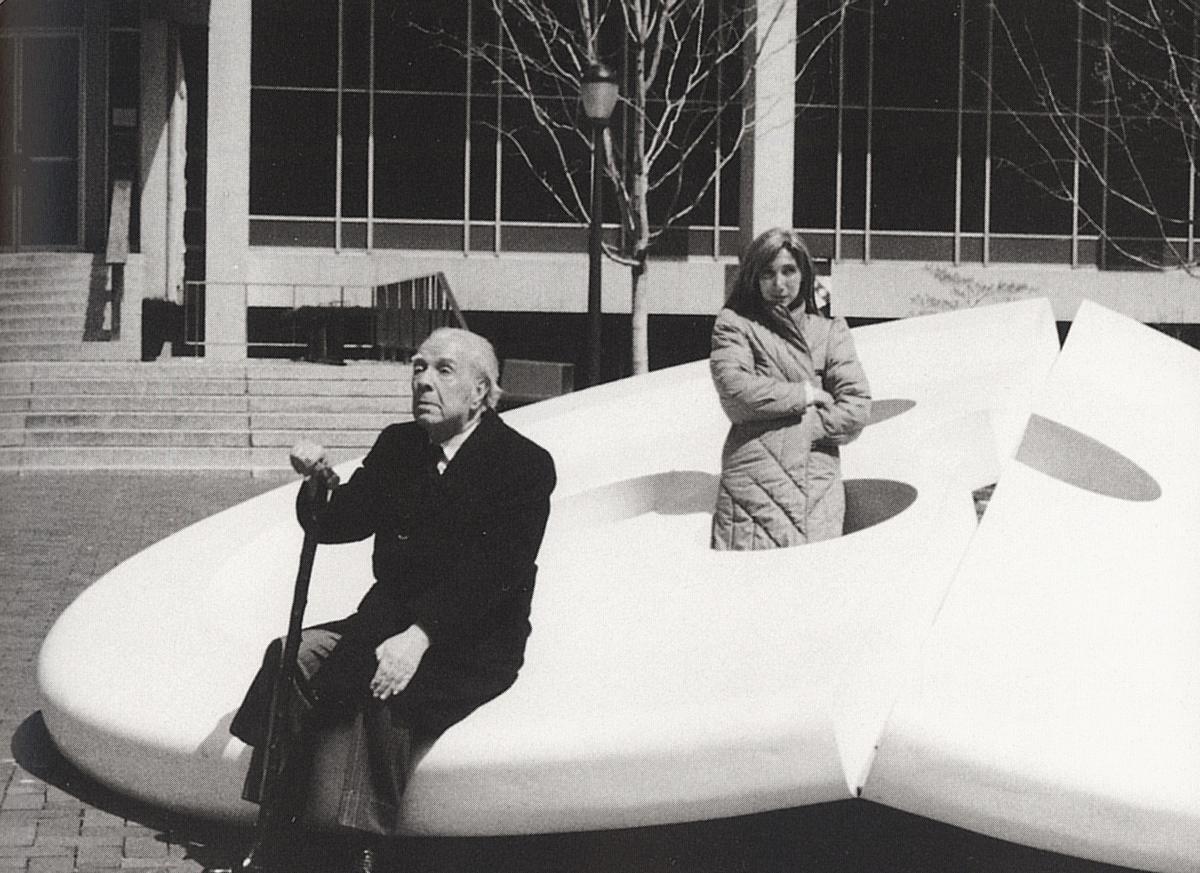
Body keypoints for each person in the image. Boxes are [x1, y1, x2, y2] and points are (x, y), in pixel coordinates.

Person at [229, 327, 557, 873]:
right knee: (291, 656)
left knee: (386, 695)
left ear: (481, 391)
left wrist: (420, 638)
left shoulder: (521, 464)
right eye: (417, 367)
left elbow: (495, 573)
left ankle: (364, 850)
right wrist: (318, 482)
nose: (423, 380)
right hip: (385, 623)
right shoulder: (399, 446)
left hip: (472, 639)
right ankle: (276, 834)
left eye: (443, 370)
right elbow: (337, 523)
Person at [709, 227, 871, 550]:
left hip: (816, 491)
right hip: (753, 493)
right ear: (753, 277)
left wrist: (797, 428)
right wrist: (806, 396)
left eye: (789, 271)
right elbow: (735, 392)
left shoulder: (829, 332)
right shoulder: (735, 325)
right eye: (768, 273)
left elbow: (856, 408)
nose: (779, 284)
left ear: (804, 273)